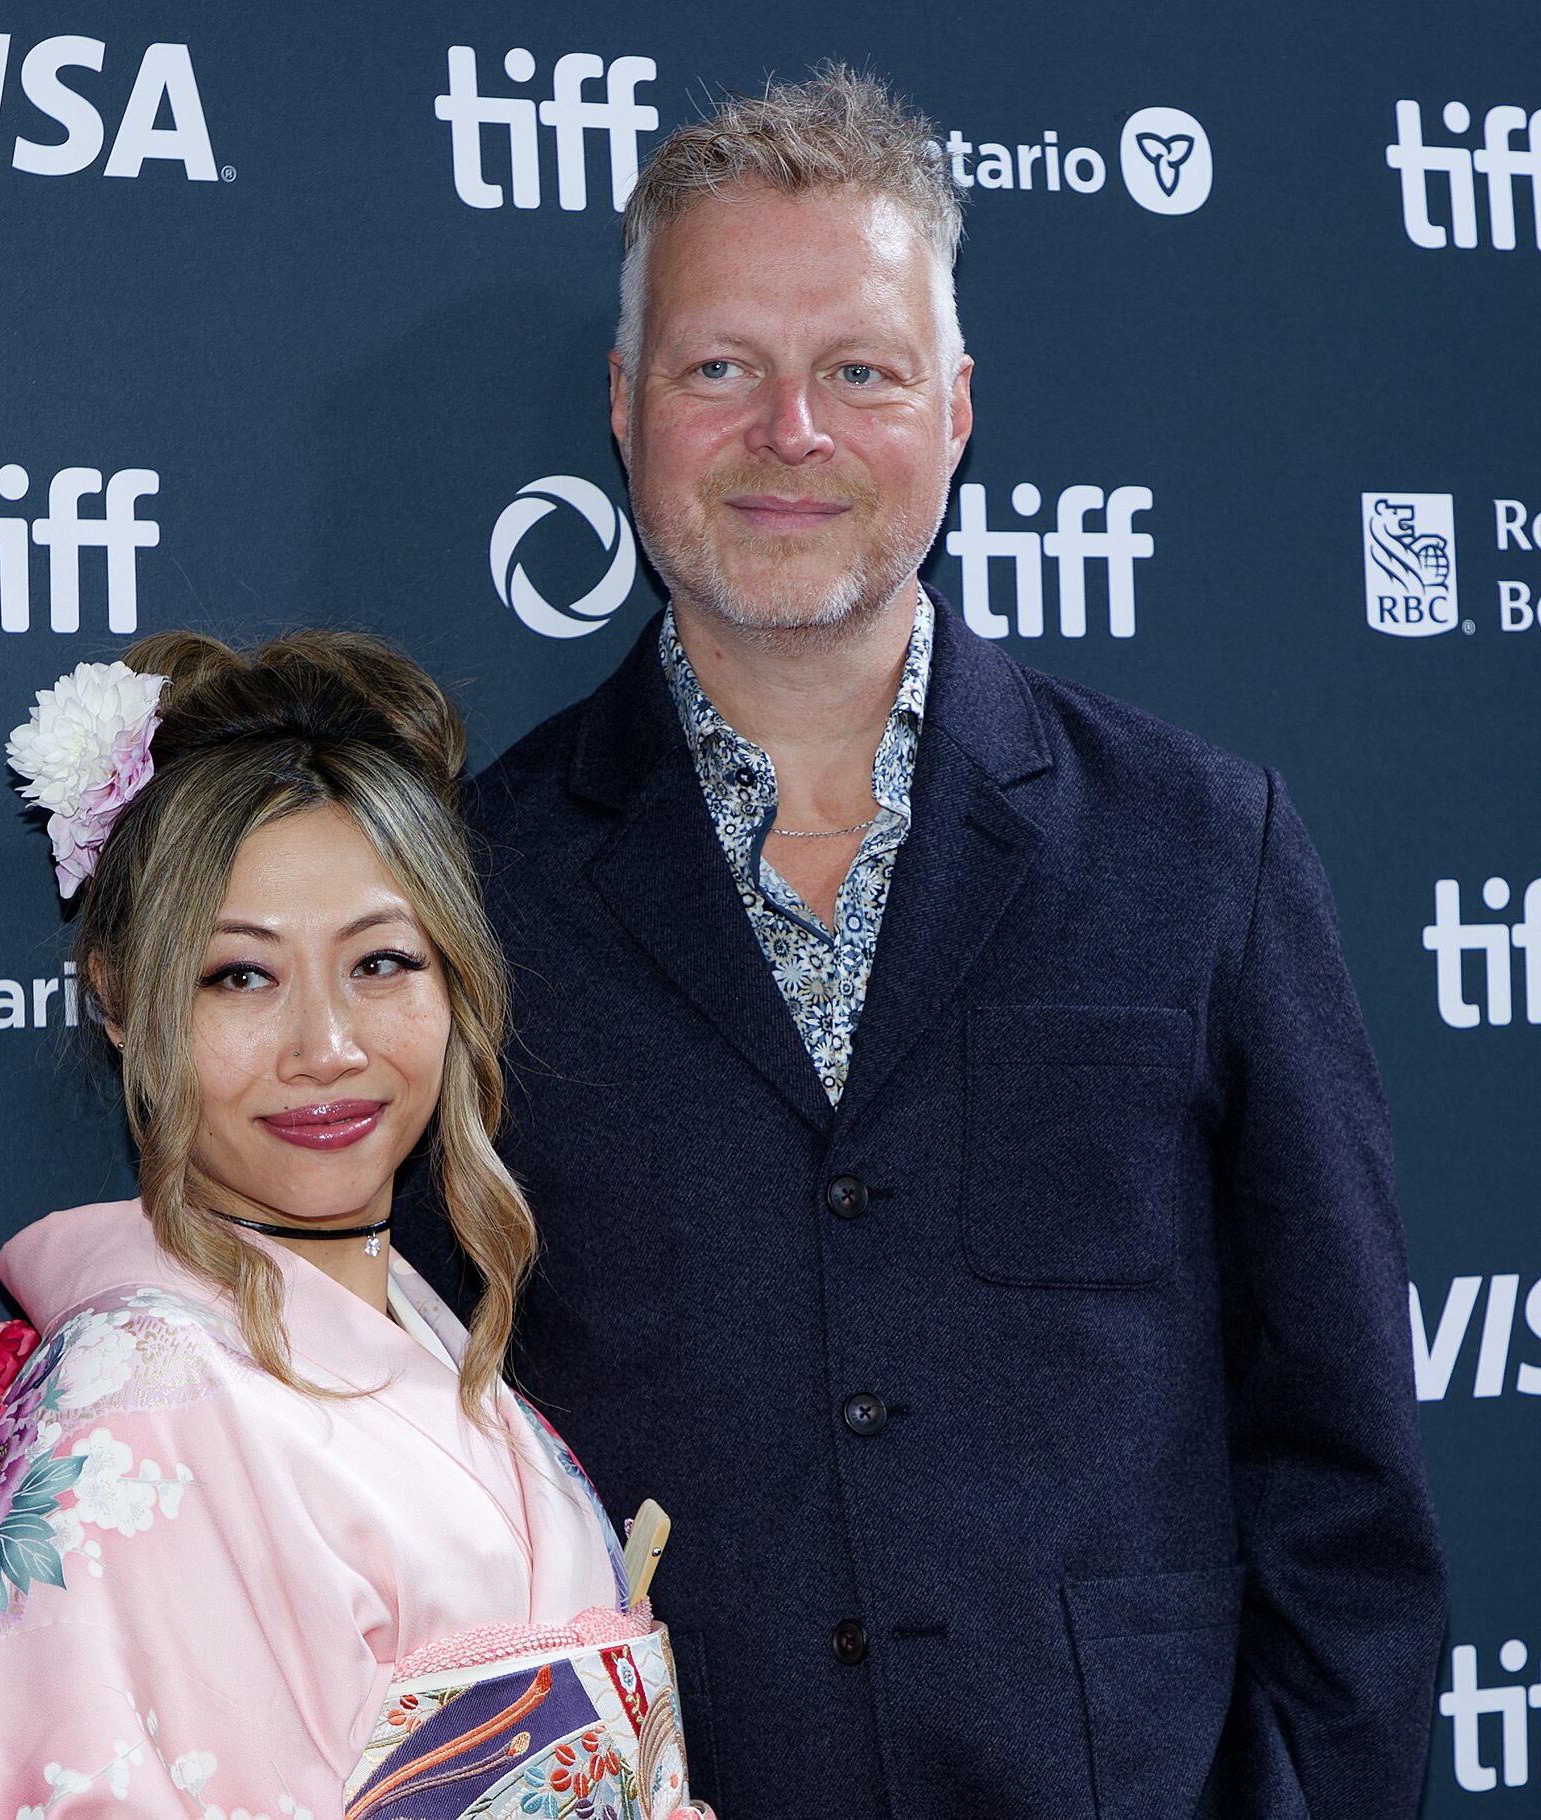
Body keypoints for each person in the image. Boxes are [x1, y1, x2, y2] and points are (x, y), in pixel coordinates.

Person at [401, 68, 1447, 1820]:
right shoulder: (461, 890)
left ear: (956, 411)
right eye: (720, 365)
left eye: (861, 370)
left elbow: (1344, 1472)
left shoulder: (1205, 847)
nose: (789, 429)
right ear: (625, 406)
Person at [0, 631, 698, 1820]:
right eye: (240, 976)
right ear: (120, 1005)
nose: (327, 1047)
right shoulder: (138, 1394)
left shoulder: (411, 1322)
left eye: (382, 962)